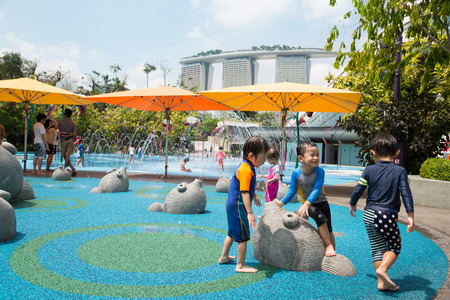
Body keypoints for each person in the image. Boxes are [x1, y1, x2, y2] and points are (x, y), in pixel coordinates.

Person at [349, 133, 415, 292]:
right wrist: (410, 215)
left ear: (373, 152)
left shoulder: (369, 170)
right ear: (396, 153)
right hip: (385, 215)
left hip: (368, 214)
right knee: (395, 245)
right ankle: (383, 269)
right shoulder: (400, 171)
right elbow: (405, 193)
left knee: (377, 247)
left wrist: (352, 204)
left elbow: (359, 188)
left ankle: (381, 283)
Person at [275, 140, 336, 257]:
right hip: (309, 206)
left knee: (329, 228)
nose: (316, 158)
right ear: (301, 158)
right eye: (312, 155)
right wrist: (281, 202)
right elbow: (292, 191)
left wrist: (307, 203)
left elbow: (317, 189)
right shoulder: (296, 173)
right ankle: (328, 246)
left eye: (317, 155)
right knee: (321, 218)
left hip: (322, 202)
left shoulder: (320, 171)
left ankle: (332, 251)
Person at [218, 136, 269, 273]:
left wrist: (255, 196)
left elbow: (246, 188)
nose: (265, 161)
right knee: (243, 236)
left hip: (233, 205)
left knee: (232, 233)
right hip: (238, 206)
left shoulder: (247, 166)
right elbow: (244, 192)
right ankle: (240, 265)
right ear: (251, 155)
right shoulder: (246, 169)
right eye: (263, 157)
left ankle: (224, 257)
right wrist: (250, 213)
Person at [57, 109, 77, 176]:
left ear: (65, 114)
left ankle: (65, 169)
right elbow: (74, 134)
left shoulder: (60, 122)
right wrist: (69, 134)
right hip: (70, 140)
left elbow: (58, 132)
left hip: (63, 141)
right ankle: (72, 168)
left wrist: (64, 134)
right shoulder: (73, 123)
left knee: (66, 156)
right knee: (67, 156)